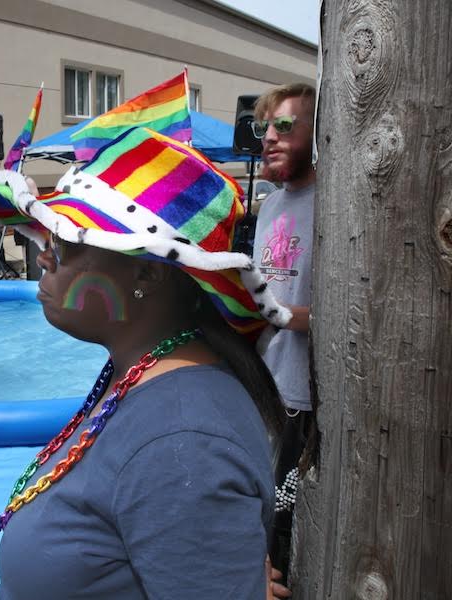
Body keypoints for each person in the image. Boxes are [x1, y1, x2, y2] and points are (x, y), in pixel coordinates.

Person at [0, 127, 293, 598]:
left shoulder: (183, 441)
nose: (43, 258)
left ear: (147, 270)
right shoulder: (143, 381)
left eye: (67, 243)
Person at [251, 82, 316, 585]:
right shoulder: (269, 206)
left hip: (304, 395)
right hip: (262, 381)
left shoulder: (338, 204)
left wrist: (281, 314)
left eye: (285, 126)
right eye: (265, 127)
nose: (269, 137)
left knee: (286, 526)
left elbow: (359, 316)